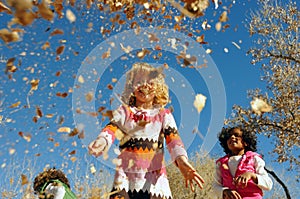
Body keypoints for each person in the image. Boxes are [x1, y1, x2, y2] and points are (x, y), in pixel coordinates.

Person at [88, 62, 205, 199]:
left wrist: (182, 161)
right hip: (125, 179)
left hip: (155, 182)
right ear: (132, 87)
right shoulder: (125, 111)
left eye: (150, 82)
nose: (144, 85)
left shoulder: (163, 114)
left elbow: (174, 141)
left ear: (158, 87)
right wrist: (102, 141)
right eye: (139, 81)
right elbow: (112, 128)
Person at [212, 126, 273, 199]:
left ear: (245, 142)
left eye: (236, 135)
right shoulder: (221, 163)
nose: (232, 137)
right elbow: (215, 185)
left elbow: (268, 184)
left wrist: (251, 175)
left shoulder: (254, 158)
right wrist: (225, 191)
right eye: (229, 136)